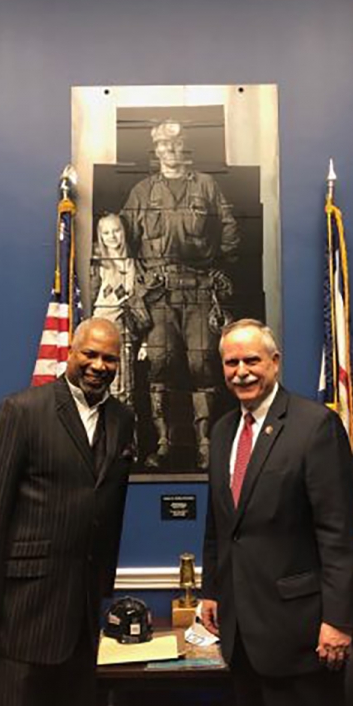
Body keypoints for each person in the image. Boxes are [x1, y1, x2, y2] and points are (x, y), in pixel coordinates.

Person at [0, 317, 135, 706]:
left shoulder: (122, 420)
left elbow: (109, 505)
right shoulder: (22, 411)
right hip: (18, 615)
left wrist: (102, 590)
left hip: (81, 615)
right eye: (89, 354)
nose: (98, 365)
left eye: (109, 358)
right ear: (70, 353)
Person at [201, 318, 353, 706]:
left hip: (302, 635)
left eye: (252, 360)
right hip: (241, 634)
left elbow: (340, 532)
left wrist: (340, 620)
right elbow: (220, 525)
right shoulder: (221, 433)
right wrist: (211, 591)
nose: (242, 371)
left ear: (275, 363)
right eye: (231, 362)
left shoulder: (315, 427)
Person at [122, 119, 240, 471]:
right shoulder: (141, 192)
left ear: (185, 148)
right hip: (159, 294)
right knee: (160, 364)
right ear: (155, 149)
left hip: (200, 290)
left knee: (202, 365)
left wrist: (219, 268)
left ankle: (205, 446)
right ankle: (163, 445)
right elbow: (121, 239)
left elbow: (231, 233)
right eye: (163, 144)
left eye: (176, 144)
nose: (170, 150)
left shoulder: (206, 186)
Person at [90, 212, 150, 408]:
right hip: (99, 330)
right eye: (106, 232)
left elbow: (143, 303)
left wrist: (146, 341)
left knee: (123, 390)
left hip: (124, 331)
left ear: (123, 231)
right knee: (96, 388)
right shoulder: (96, 260)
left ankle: (124, 436)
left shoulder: (135, 263)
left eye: (116, 230)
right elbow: (90, 299)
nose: (112, 236)